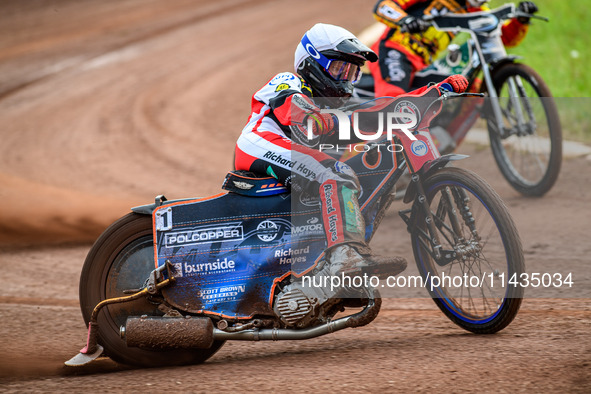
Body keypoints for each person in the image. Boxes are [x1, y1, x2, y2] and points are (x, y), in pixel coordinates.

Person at [234, 23, 468, 281]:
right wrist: (316, 118)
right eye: (339, 68)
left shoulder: (331, 107)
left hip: (292, 152)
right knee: (336, 174)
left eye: (353, 71)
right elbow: (292, 106)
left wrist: (431, 92)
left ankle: (325, 260)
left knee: (351, 172)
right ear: (311, 62)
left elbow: (383, 108)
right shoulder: (288, 80)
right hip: (260, 143)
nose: (346, 78)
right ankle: (344, 256)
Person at [370, 0, 538, 97]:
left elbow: (504, 37)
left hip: (424, 65)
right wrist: (405, 20)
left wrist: (520, 21)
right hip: (395, 50)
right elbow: (383, 6)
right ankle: (373, 148)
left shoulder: (475, 9)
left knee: (471, 92)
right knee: (393, 98)